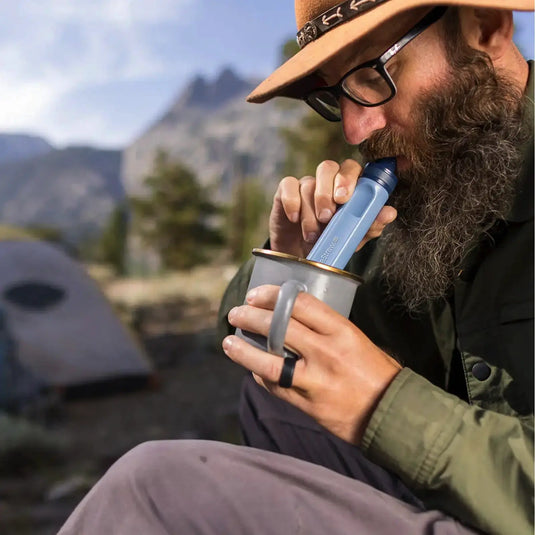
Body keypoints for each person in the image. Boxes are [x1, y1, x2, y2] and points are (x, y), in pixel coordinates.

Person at [58, 1, 533, 534]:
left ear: (485, 27)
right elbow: (247, 337)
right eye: (335, 95)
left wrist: (385, 406)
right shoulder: (430, 184)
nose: (356, 128)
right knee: (276, 401)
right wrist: (295, 264)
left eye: (377, 72)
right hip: (466, 497)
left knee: (154, 488)